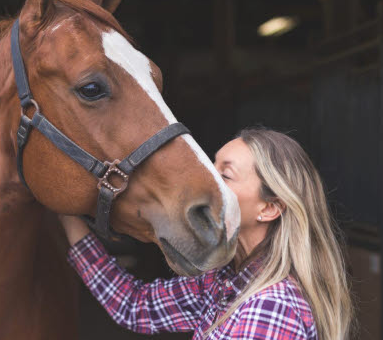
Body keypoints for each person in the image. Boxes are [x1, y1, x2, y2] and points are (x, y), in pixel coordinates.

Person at [59, 128, 353, 340]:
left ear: (269, 208)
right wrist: (65, 209)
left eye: (225, 175)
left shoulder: (270, 307)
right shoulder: (223, 280)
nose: (206, 179)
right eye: (212, 164)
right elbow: (136, 305)